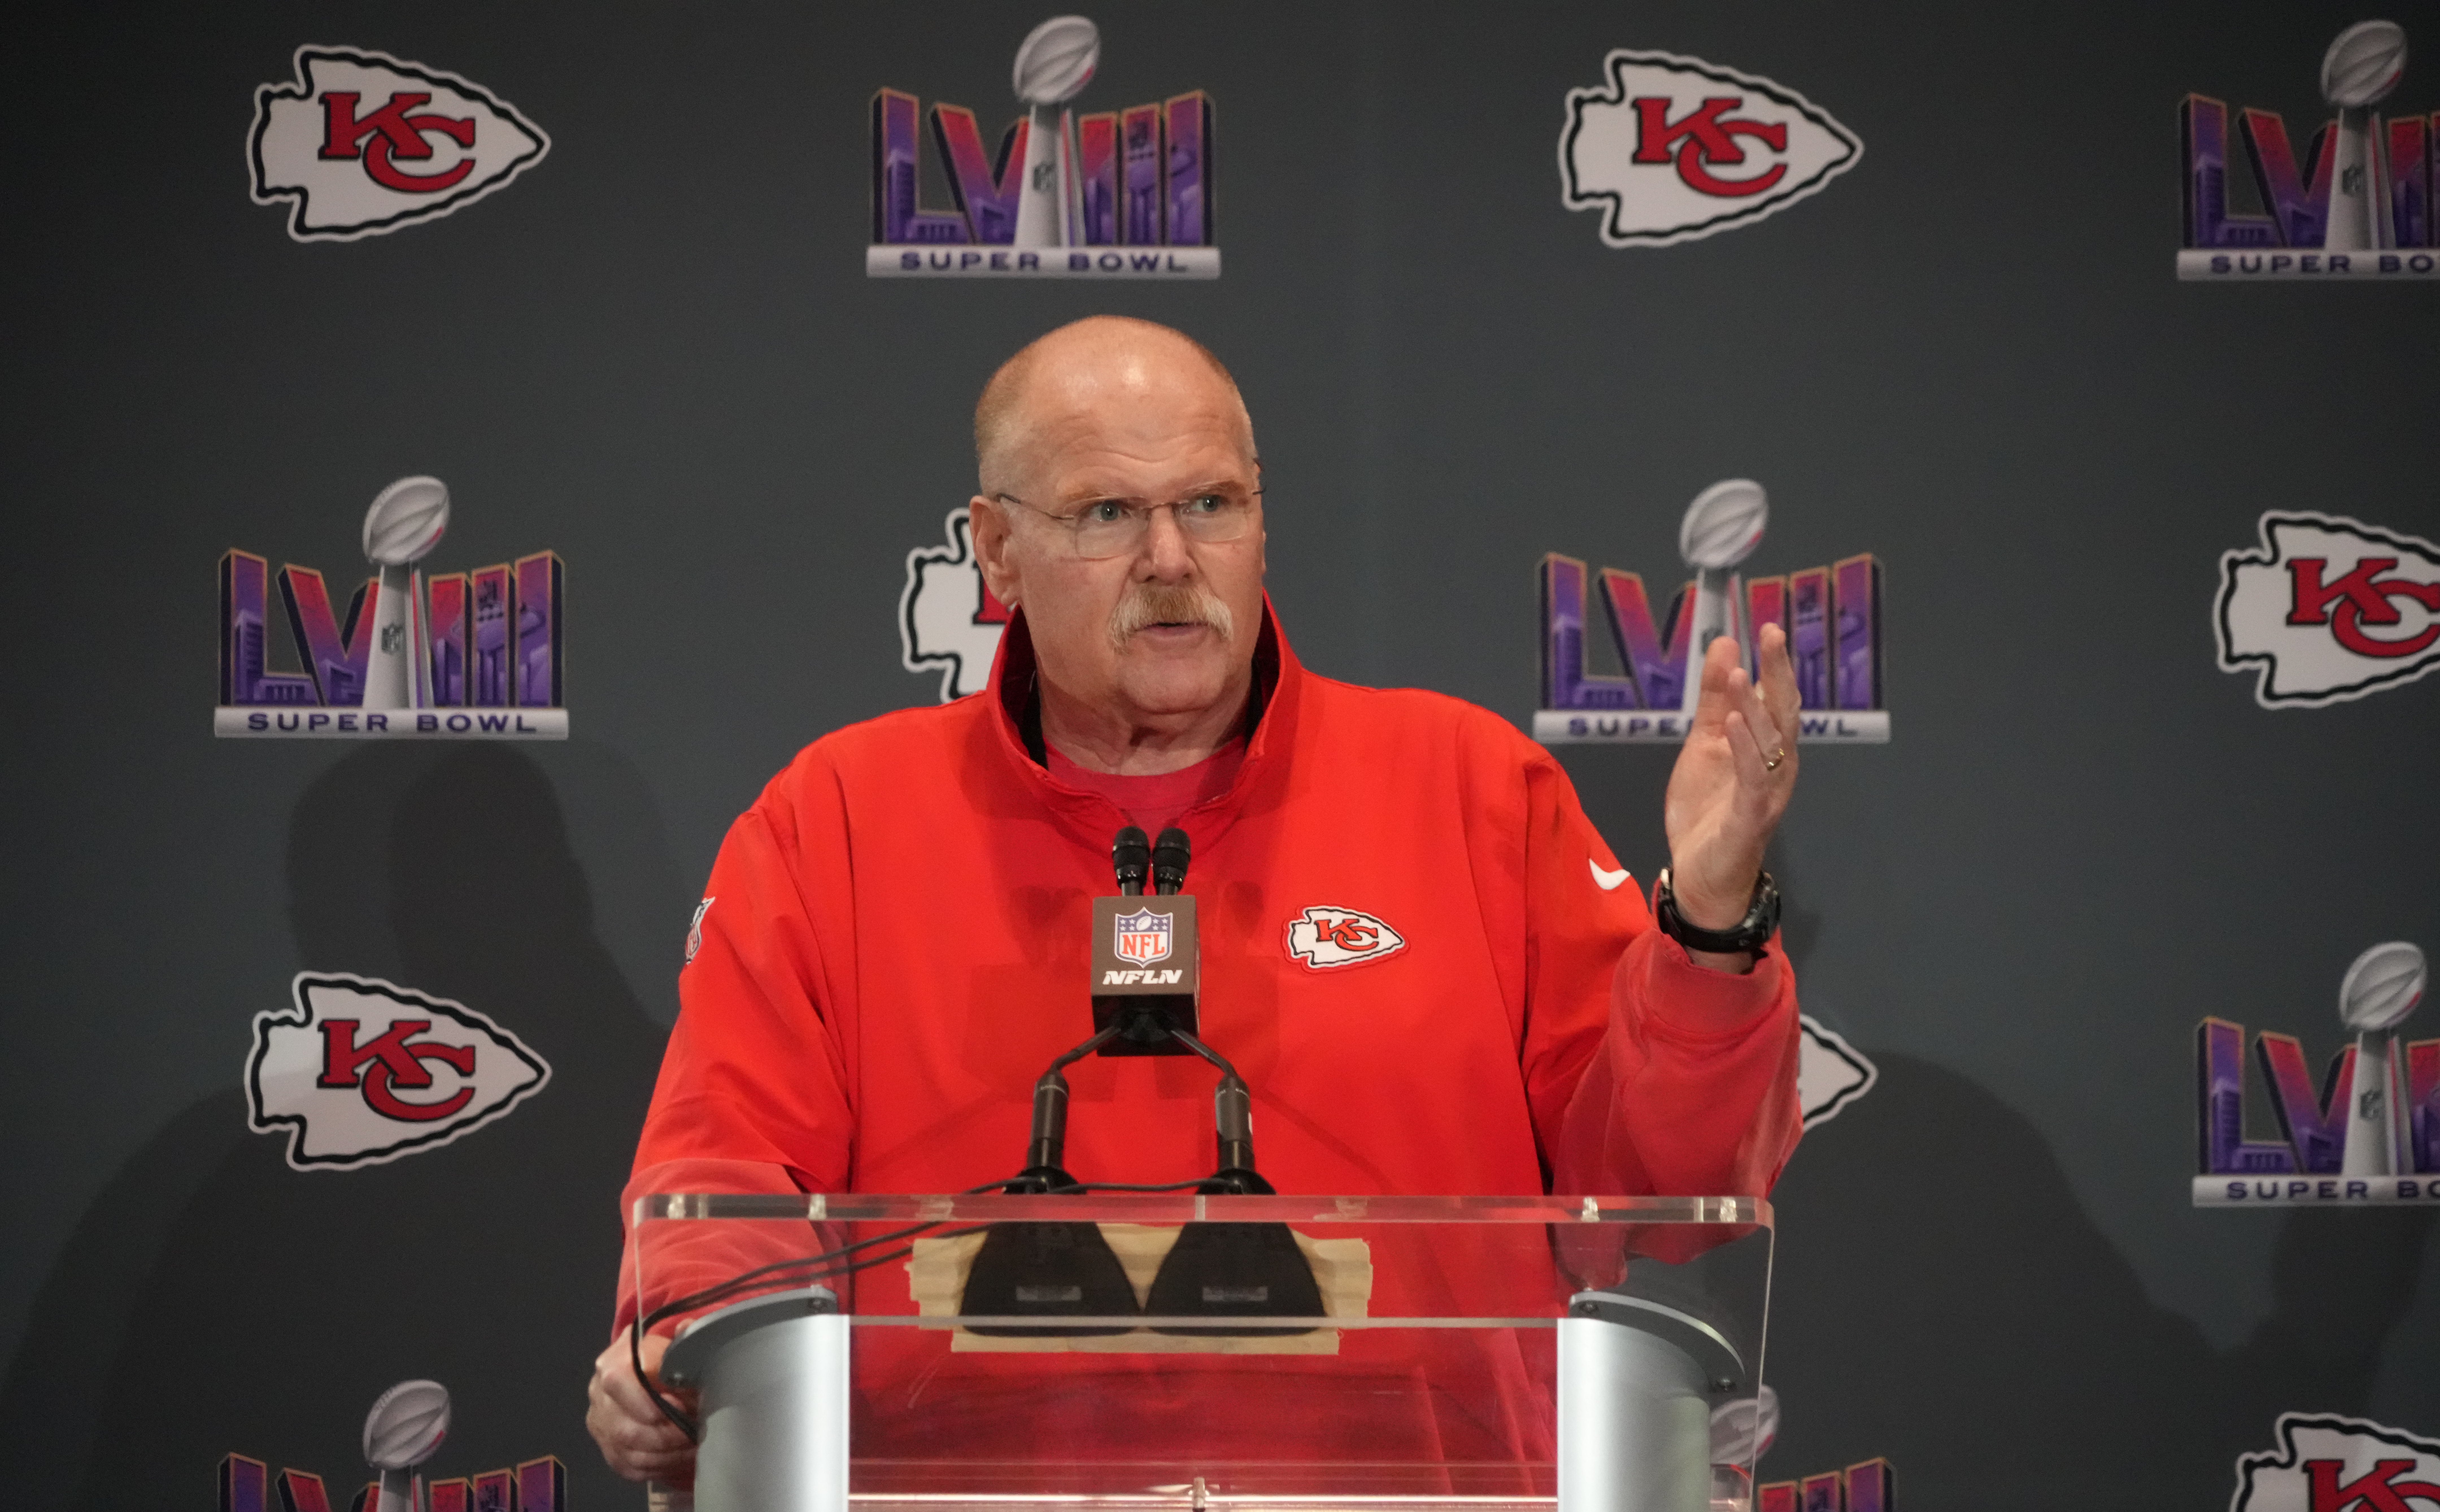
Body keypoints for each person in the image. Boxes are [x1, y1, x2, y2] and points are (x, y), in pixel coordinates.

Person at [586, 316, 1805, 1485]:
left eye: (1210, 504)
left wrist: (1704, 924)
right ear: (996, 552)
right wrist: (688, 1347)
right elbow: (723, 1179)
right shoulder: (838, 819)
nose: (1170, 560)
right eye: (1107, 512)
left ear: (1261, 523)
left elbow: (1662, 1193)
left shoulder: (1472, 788)